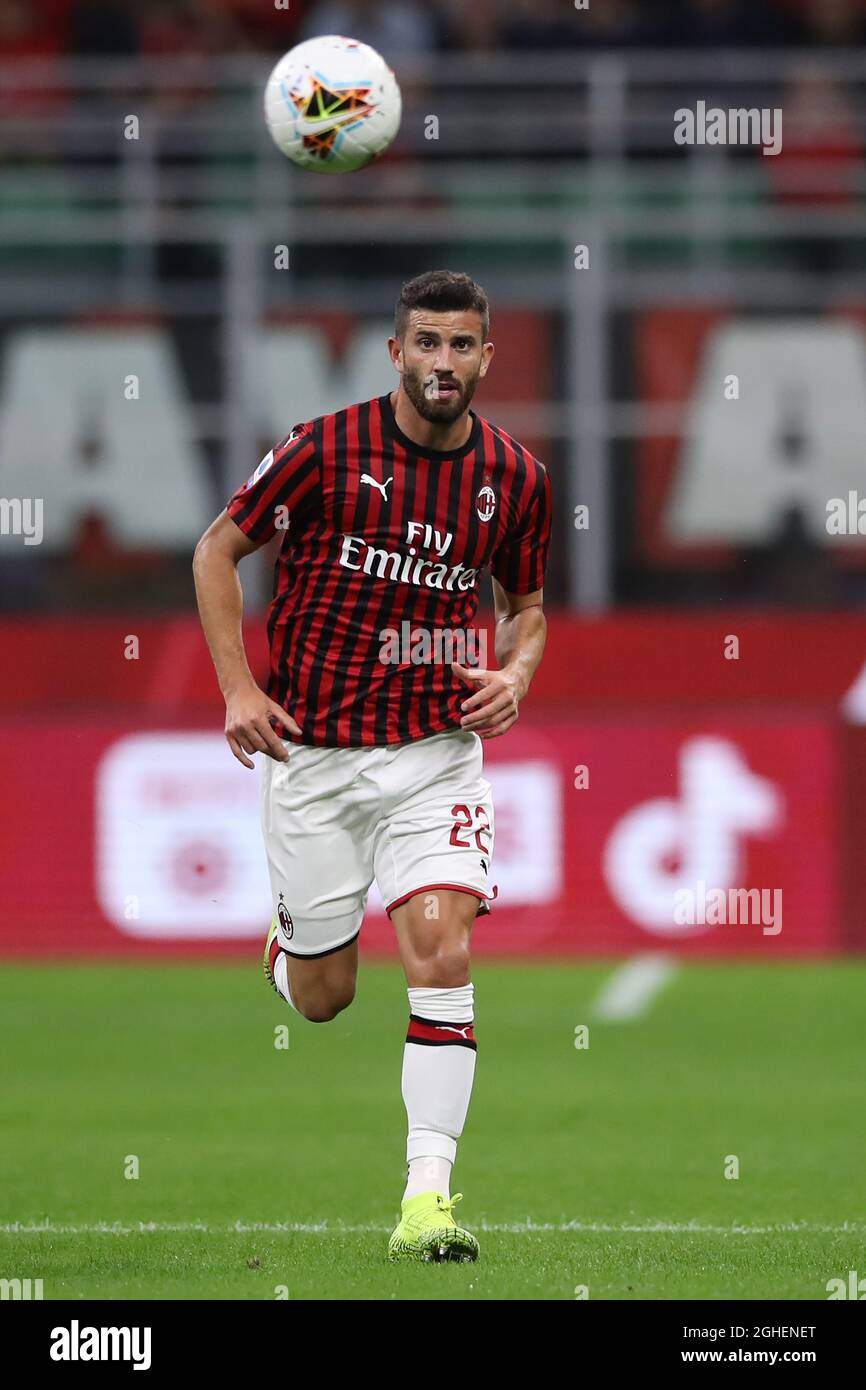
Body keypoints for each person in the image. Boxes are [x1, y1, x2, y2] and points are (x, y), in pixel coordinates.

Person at [193, 269, 551, 1262]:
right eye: (426, 344)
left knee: (440, 947)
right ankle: (289, 948)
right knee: (324, 997)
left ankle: (425, 1201)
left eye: (461, 345)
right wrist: (236, 689)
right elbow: (215, 552)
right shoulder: (320, 451)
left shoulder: (514, 477)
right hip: (313, 757)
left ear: (488, 355)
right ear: (395, 354)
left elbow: (525, 607)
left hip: (435, 755)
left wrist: (516, 671)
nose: (443, 362)